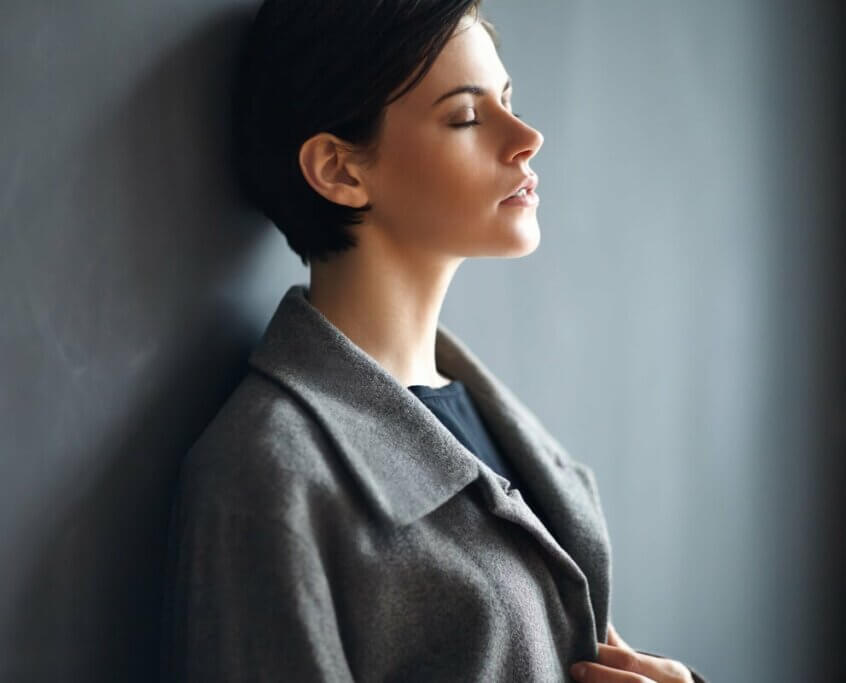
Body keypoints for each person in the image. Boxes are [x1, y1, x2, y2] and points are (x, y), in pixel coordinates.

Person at [159, 1, 706, 681]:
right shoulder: (267, 476)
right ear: (340, 169)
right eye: (468, 116)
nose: (527, 136)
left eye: (508, 99)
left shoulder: (508, 434)